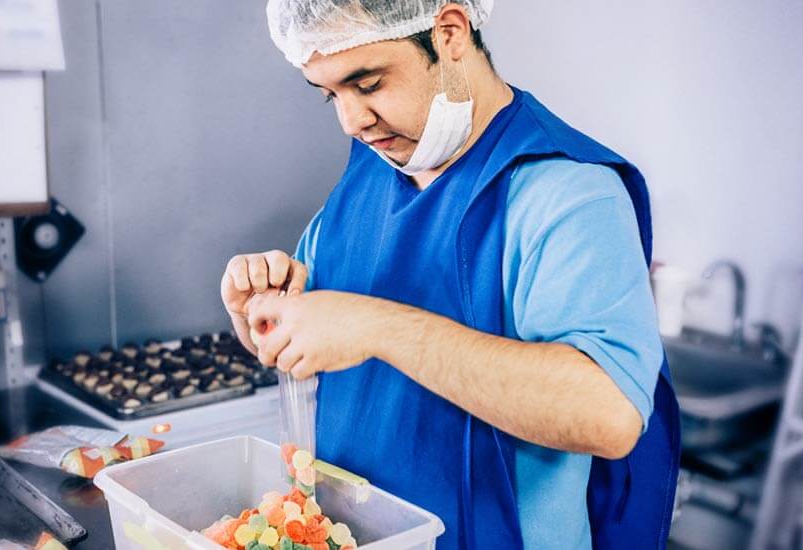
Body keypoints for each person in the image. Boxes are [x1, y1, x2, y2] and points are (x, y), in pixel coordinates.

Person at [220, 1, 680, 548]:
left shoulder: (567, 194)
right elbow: (318, 342)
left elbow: (610, 413)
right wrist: (263, 314)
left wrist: (378, 328)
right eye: (330, 95)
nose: (351, 121)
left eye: (367, 83)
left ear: (450, 32)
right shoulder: (370, 174)